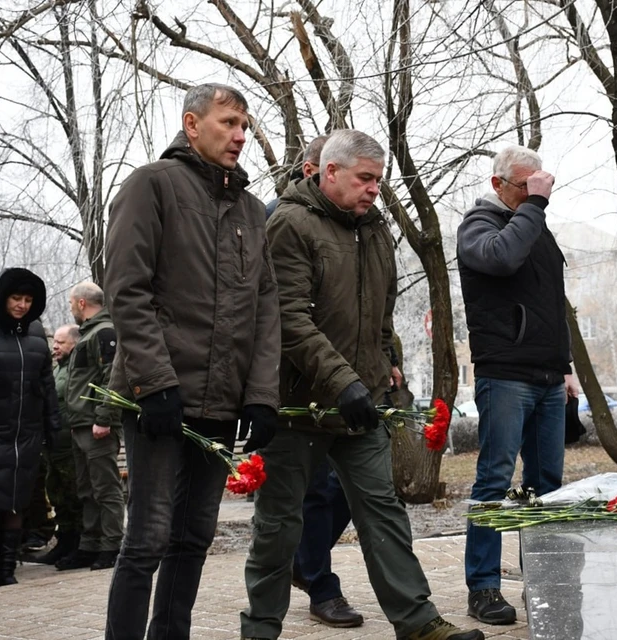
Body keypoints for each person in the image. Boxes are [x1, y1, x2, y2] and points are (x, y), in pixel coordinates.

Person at [241, 129, 483, 640]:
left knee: (383, 512)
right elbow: (288, 319)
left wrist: (388, 361)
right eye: (365, 178)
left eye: (379, 180)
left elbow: (380, 312)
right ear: (330, 172)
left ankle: (416, 622)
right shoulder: (289, 223)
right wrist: (342, 380)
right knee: (279, 524)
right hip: (297, 407)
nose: (375, 189)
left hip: (362, 403)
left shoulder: (372, 229)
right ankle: (260, 627)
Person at [103, 83, 281, 640]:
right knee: (148, 537)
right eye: (228, 122)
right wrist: (154, 382)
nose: (240, 135)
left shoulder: (252, 211)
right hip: (159, 396)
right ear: (192, 124)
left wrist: (260, 395)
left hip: (222, 399)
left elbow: (266, 308)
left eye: (245, 125)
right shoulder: (151, 185)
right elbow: (127, 290)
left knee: (194, 534)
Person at [457, 146, 579, 625]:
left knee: (546, 485)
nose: (534, 194)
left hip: (548, 377)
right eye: (524, 186)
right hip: (505, 375)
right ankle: (483, 588)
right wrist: (535, 206)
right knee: (493, 482)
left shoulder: (536, 226)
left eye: (538, 186)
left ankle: (545, 577)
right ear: (497, 185)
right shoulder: (478, 226)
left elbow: (554, 301)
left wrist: (566, 365)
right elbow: (503, 258)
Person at [263, 133, 365, 629]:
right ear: (315, 171)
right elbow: (283, 314)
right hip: (296, 385)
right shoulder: (278, 219)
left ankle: (303, 565)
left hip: (345, 379)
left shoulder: (352, 225)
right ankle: (320, 584)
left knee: (344, 490)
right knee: (312, 492)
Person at [0, 268, 61, 591]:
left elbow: (47, 386)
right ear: (2, 297)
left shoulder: (35, 334)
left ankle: (7, 572)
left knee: (17, 505)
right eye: (15, 298)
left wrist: (54, 429)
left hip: (26, 436)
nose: (21, 305)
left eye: (28, 299)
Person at [55, 282, 125, 572]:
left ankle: (111, 546)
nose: (71, 308)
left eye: (71, 303)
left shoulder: (104, 332)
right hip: (81, 425)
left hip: (97, 426)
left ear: (81, 303)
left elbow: (113, 376)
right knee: (86, 489)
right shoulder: (88, 334)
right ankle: (89, 545)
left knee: (105, 489)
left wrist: (104, 417)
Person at [33, 324, 84, 565]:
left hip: (70, 445)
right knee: (57, 494)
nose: (55, 346)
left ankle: (77, 543)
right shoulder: (57, 369)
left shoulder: (76, 368)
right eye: (55, 342)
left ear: (74, 343)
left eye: (61, 343)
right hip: (54, 444)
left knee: (73, 495)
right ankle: (63, 541)